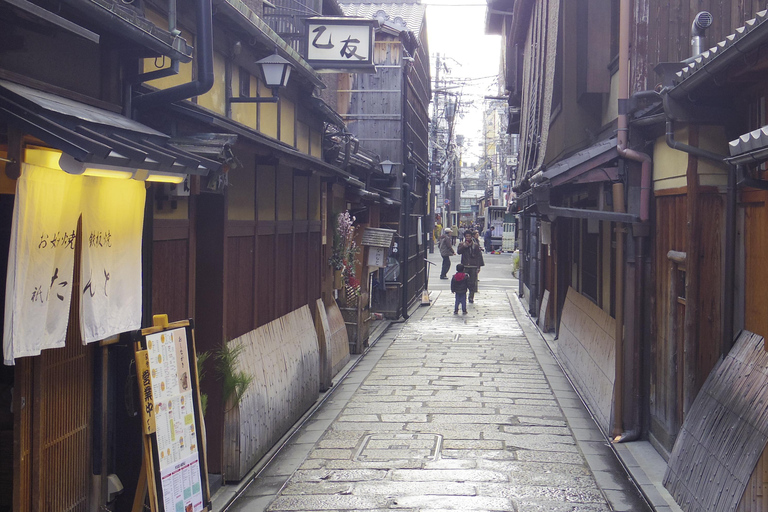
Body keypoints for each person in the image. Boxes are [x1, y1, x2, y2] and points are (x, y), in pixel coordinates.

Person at [457, 229, 484, 303]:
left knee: (472, 283)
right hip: (465, 266)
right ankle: (463, 297)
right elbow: (459, 252)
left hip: (473, 266)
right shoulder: (462, 244)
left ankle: (471, 297)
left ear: (471, 237)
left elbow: (479, 256)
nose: (468, 238)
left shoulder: (475, 245)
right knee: (463, 283)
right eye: (466, 236)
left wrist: (479, 267)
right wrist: (464, 246)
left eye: (469, 236)